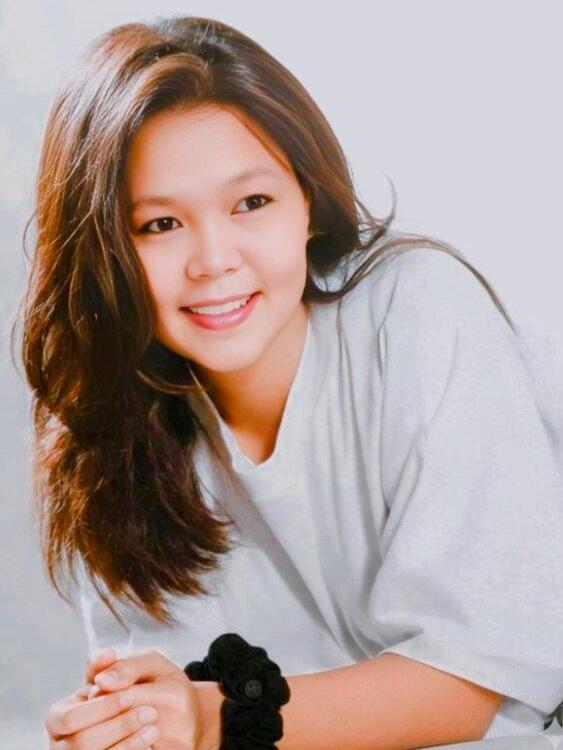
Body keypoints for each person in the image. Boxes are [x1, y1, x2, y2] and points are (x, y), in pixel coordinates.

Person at [15, 14, 563, 750]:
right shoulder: (110, 436)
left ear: (308, 201)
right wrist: (128, 723)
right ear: (106, 253)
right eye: (160, 225)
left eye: (251, 204)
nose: (214, 259)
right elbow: (170, 705)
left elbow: (469, 684)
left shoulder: (416, 311)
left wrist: (210, 717)